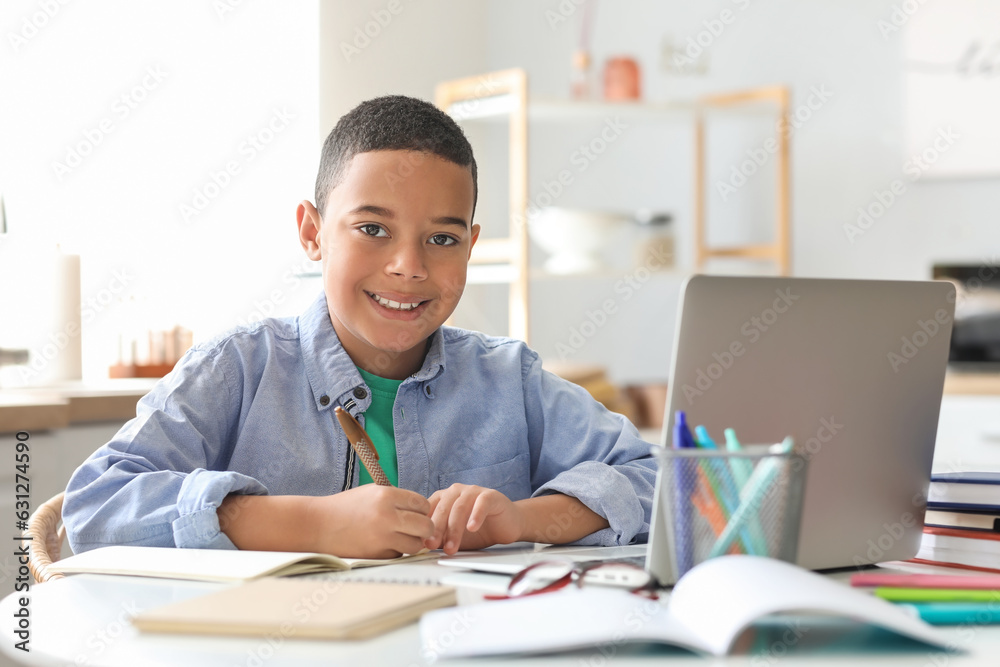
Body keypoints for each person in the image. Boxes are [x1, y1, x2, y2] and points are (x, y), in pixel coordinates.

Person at [63, 95, 657, 559]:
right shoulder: (239, 368)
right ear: (312, 232)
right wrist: (311, 523)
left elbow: (663, 480)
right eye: (372, 229)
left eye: (442, 239)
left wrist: (521, 519)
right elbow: (94, 507)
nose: (408, 266)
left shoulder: (508, 379)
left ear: (471, 247)